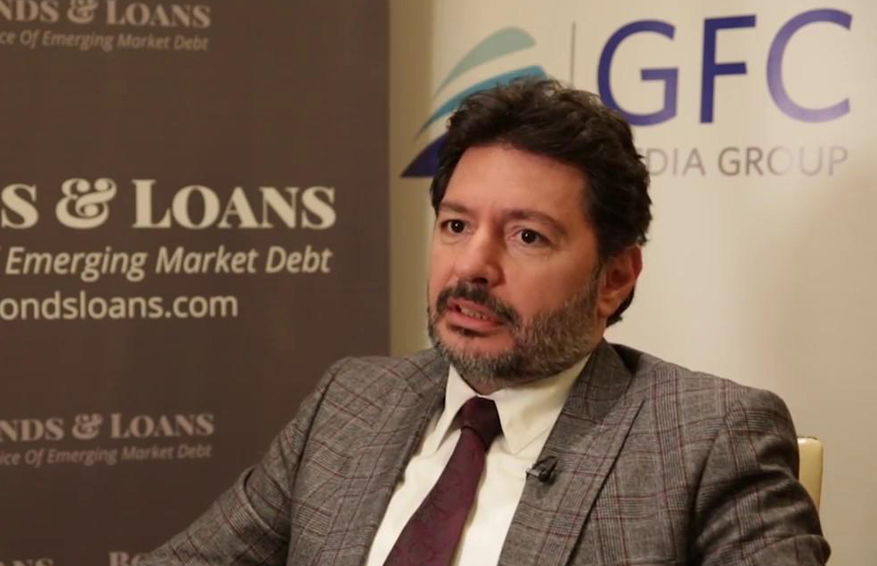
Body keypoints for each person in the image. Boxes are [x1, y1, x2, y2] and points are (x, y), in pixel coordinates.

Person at [141, 78, 829, 566]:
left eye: (527, 236)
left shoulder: (707, 438)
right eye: (455, 225)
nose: (472, 265)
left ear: (615, 277)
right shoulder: (351, 402)